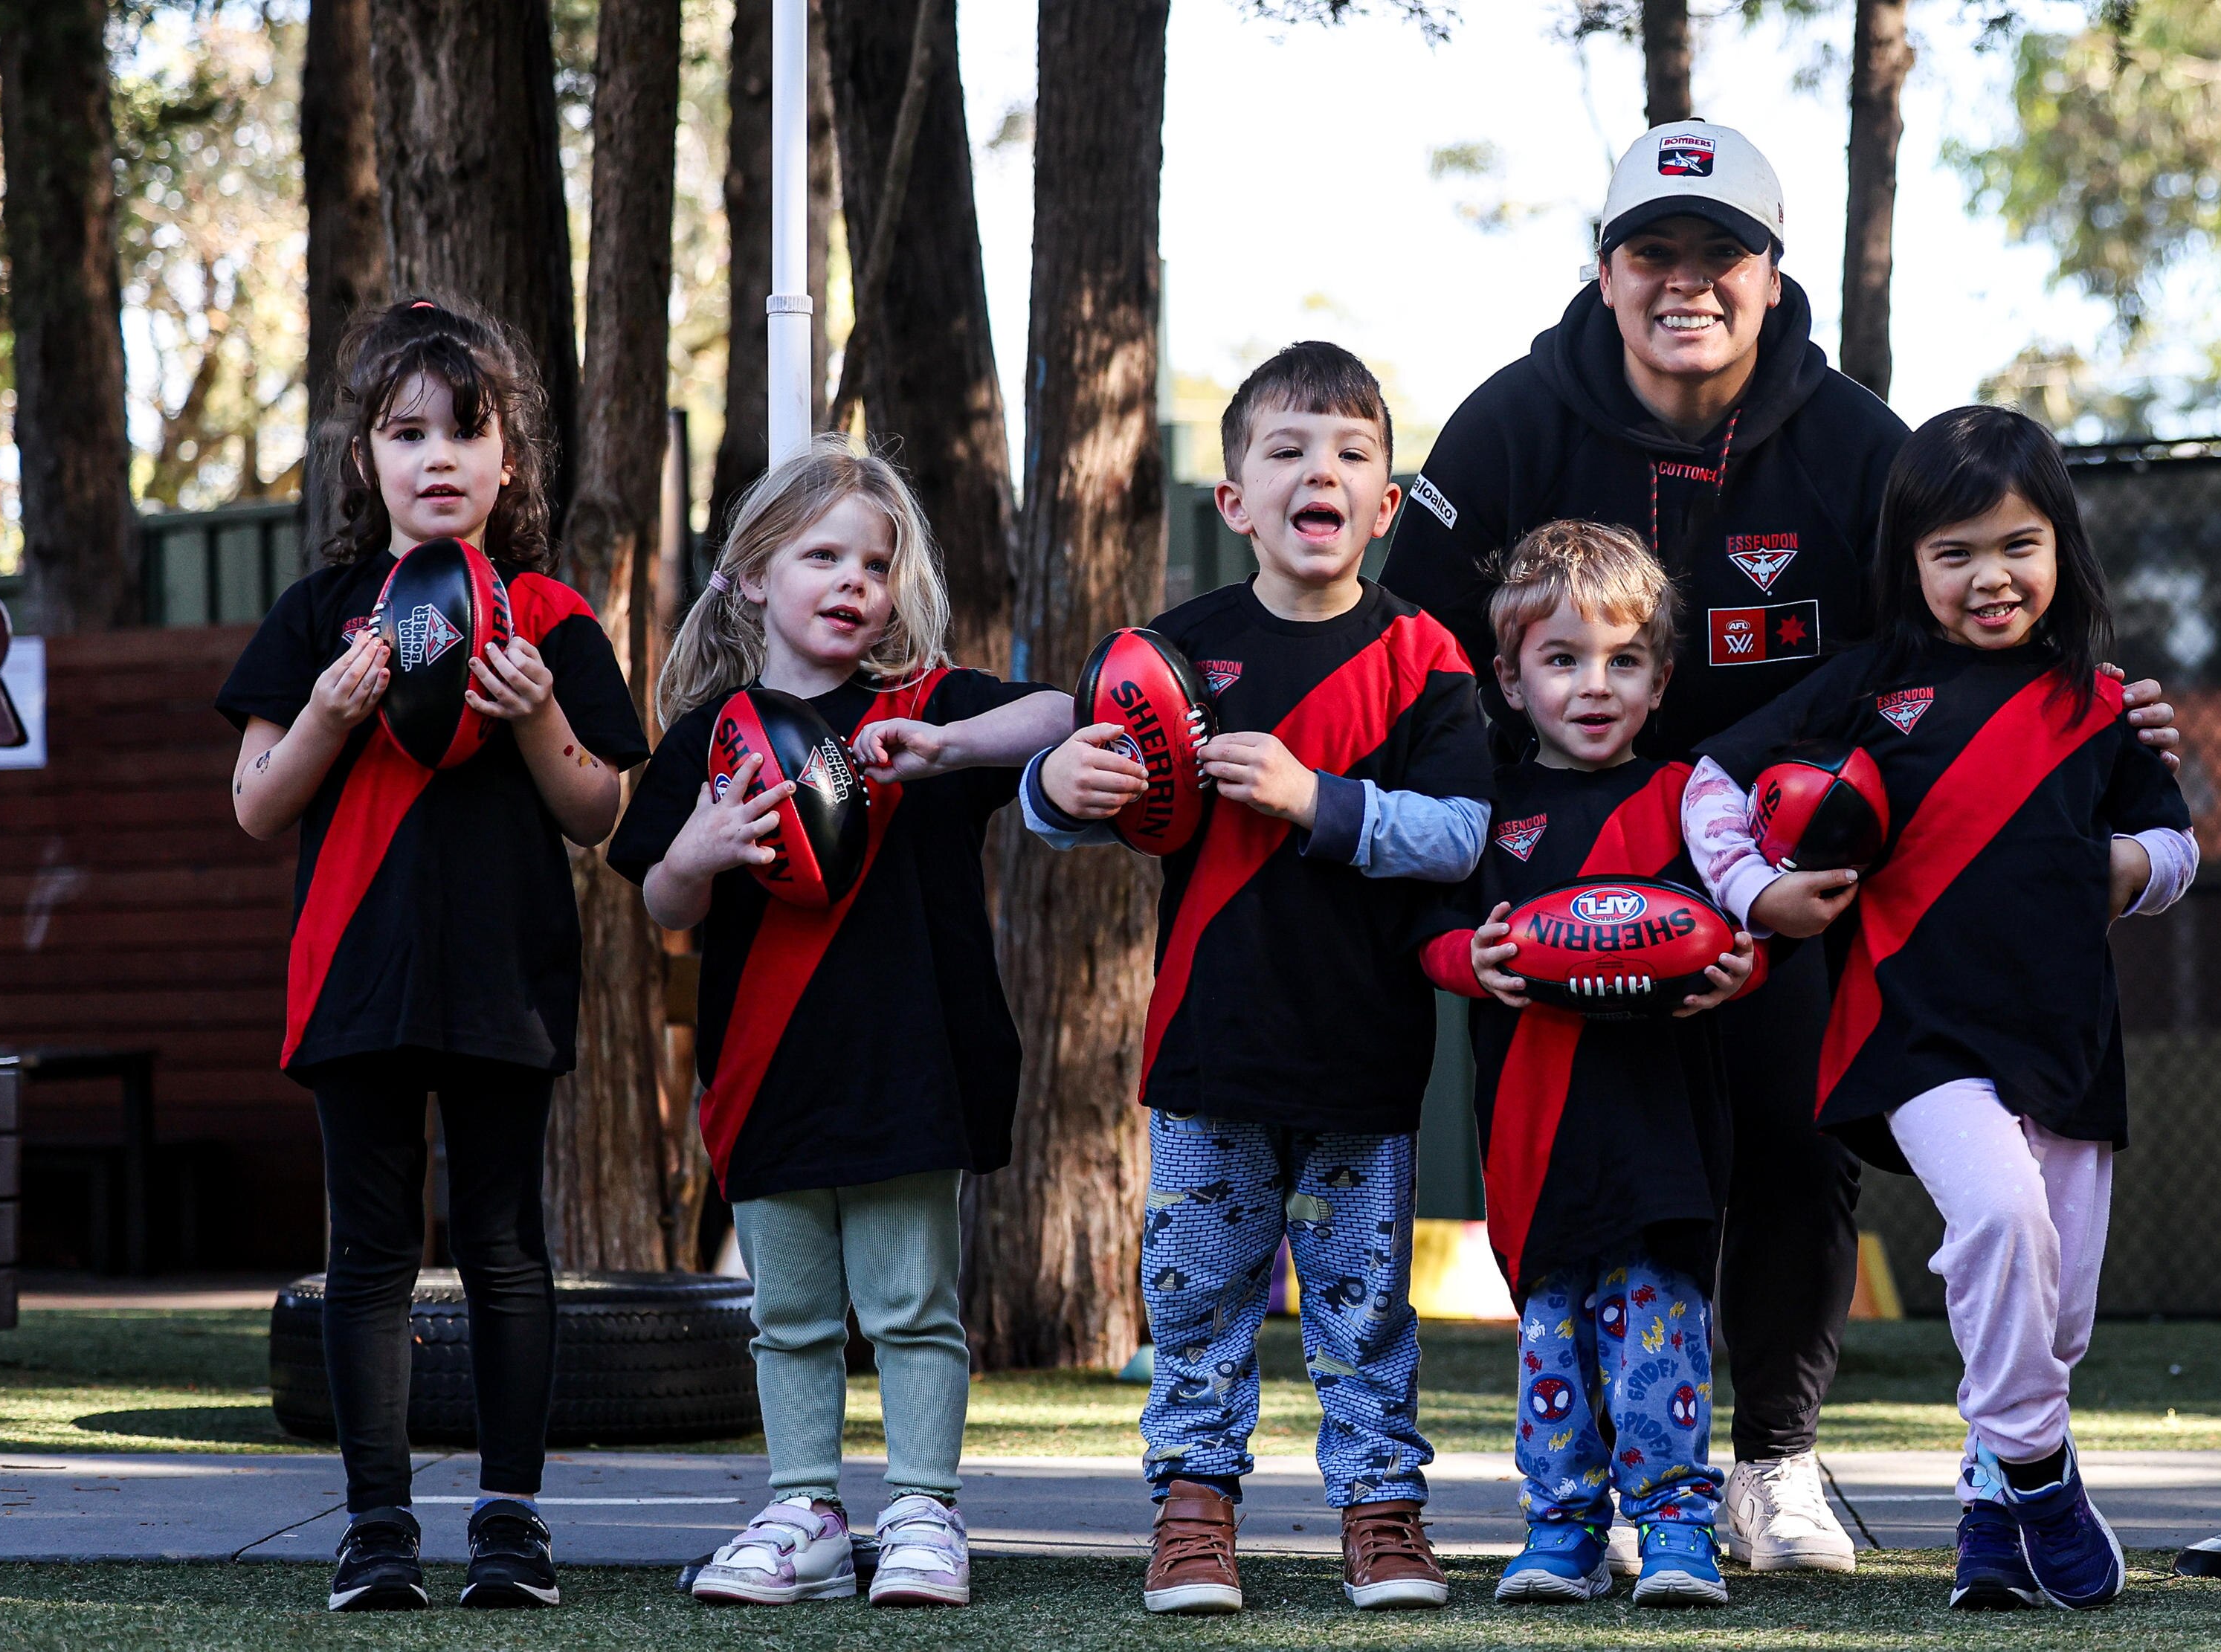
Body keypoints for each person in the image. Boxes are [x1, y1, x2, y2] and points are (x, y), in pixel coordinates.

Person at [1385, 120, 2182, 1572]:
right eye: (1654, 255)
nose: (1685, 283)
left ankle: (1771, 1463)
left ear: (1769, 270)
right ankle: (1595, 1492)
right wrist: (1481, 864)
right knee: (1574, 1175)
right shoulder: (1508, 423)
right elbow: (1420, 648)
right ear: (1609, 271)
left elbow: (1948, 643)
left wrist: (2093, 737)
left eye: (1718, 255)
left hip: (1797, 868)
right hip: (1560, 856)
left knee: (1795, 1148)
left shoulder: (1857, 442)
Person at [1689, 406, 2196, 1613]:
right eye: (1954, 551)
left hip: (2070, 1043)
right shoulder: (1870, 685)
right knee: (2003, 1218)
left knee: (2054, 1306)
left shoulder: (2104, 701)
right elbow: (1710, 779)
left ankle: (1990, 1518)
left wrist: (2131, 868)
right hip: (1913, 1037)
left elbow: (2178, 840)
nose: (1990, 576)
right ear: (1908, 563)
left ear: (2061, 546)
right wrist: (1759, 892)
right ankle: (2039, 1466)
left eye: (2017, 544)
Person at [1018, 341, 1491, 1615]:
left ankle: (1383, 1518)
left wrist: (1316, 799)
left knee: (1363, 1312)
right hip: (1210, 1049)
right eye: (1284, 451)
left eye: (1348, 453)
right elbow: (1083, 776)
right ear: (1234, 501)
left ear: (1387, 505)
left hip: (1363, 1051)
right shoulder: (1175, 647)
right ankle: (1192, 1513)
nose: (1315, 472)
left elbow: (1462, 833)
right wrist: (1055, 790)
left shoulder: (1425, 655)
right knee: (1198, 1294)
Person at [218, 296, 648, 1613]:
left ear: (510, 459)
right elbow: (255, 800)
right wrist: (331, 716)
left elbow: (600, 811)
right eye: (408, 432)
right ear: (368, 461)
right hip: (358, 973)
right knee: (372, 1254)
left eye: (469, 429)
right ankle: (377, 1527)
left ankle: (511, 1523)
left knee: (510, 1246)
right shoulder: (317, 612)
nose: (439, 455)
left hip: (505, 974)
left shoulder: (556, 614)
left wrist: (534, 722)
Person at [608, 439, 1074, 1608]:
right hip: (767, 1075)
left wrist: (950, 748)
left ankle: (923, 1510)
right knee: (791, 1312)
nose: (854, 580)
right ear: (756, 575)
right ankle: (805, 1512)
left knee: (916, 1307)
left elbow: (1068, 711)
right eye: (824, 554)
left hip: (912, 1070)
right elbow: (662, 901)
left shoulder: (927, 708)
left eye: (877, 561)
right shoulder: (708, 738)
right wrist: (698, 851)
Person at [1416, 521, 1765, 1607]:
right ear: (1511, 681)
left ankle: (1674, 1525)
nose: (1593, 684)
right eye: (1561, 659)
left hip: (1662, 1132)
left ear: (1662, 679)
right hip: (1535, 1136)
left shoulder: (1690, 801)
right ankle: (1561, 1526)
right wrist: (1470, 960)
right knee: (1553, 1342)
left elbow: (1743, 925)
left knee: (1661, 1336)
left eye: (1623, 660)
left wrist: (1739, 966)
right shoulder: (1491, 810)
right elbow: (1433, 931)